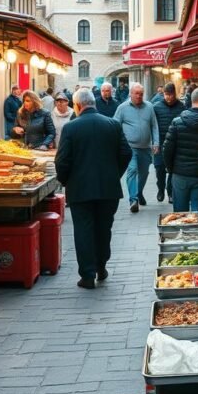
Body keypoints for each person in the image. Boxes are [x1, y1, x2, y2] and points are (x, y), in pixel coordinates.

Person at [55, 89, 131, 289]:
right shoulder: (113, 124)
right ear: (94, 104)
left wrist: (65, 181)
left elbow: (62, 161)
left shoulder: (71, 128)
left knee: (83, 230)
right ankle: (101, 266)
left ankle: (87, 275)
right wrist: (115, 174)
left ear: (78, 106)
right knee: (103, 229)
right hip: (108, 189)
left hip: (80, 190)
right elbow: (126, 153)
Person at [114, 83, 159, 213]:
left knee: (144, 173)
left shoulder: (149, 107)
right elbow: (116, 126)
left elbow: (154, 126)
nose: (139, 96)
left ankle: (139, 193)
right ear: (130, 94)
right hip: (130, 147)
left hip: (145, 147)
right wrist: (119, 145)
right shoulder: (122, 108)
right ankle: (133, 199)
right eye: (136, 93)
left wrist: (156, 143)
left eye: (141, 94)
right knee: (132, 170)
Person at [153, 83, 187, 204]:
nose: (169, 97)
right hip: (160, 142)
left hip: (176, 144)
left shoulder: (181, 107)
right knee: (159, 169)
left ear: (175, 94)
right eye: (166, 95)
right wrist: (154, 142)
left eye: (171, 94)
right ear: (163, 94)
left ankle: (170, 192)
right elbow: (153, 126)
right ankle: (160, 189)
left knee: (172, 169)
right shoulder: (156, 107)